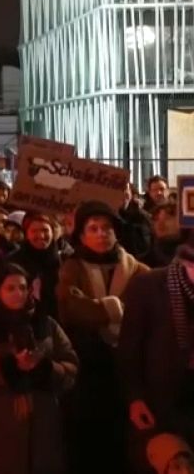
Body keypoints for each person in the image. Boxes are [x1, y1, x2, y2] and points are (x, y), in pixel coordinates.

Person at [0, 263, 78, 474]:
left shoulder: (45, 324)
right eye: (10, 288)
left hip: (42, 420)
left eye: (22, 287)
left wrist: (45, 367)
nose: (18, 294)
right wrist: (5, 368)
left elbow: (70, 363)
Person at [58, 200, 149, 474]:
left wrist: (98, 308)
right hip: (88, 371)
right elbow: (71, 307)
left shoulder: (138, 270)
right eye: (93, 228)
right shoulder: (71, 268)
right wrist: (114, 308)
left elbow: (144, 310)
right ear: (82, 235)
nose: (101, 234)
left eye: (107, 228)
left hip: (128, 368)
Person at [119, 238, 194, 472]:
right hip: (161, 399)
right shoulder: (148, 286)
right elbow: (129, 349)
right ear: (185, 262)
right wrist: (135, 398)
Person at [9, 213, 68, 320]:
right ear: (26, 234)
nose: (41, 235)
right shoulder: (13, 261)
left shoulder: (64, 261)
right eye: (34, 231)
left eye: (45, 230)